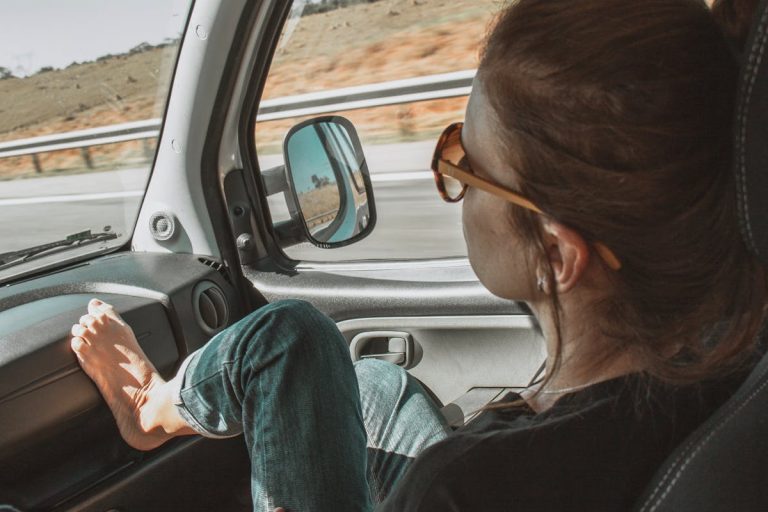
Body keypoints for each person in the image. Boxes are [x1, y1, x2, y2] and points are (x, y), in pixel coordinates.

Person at [68, 0, 767, 510]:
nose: (452, 185)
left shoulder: (465, 487)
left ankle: (151, 403)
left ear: (555, 256)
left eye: (464, 164)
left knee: (289, 338)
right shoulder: (731, 362)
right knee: (370, 388)